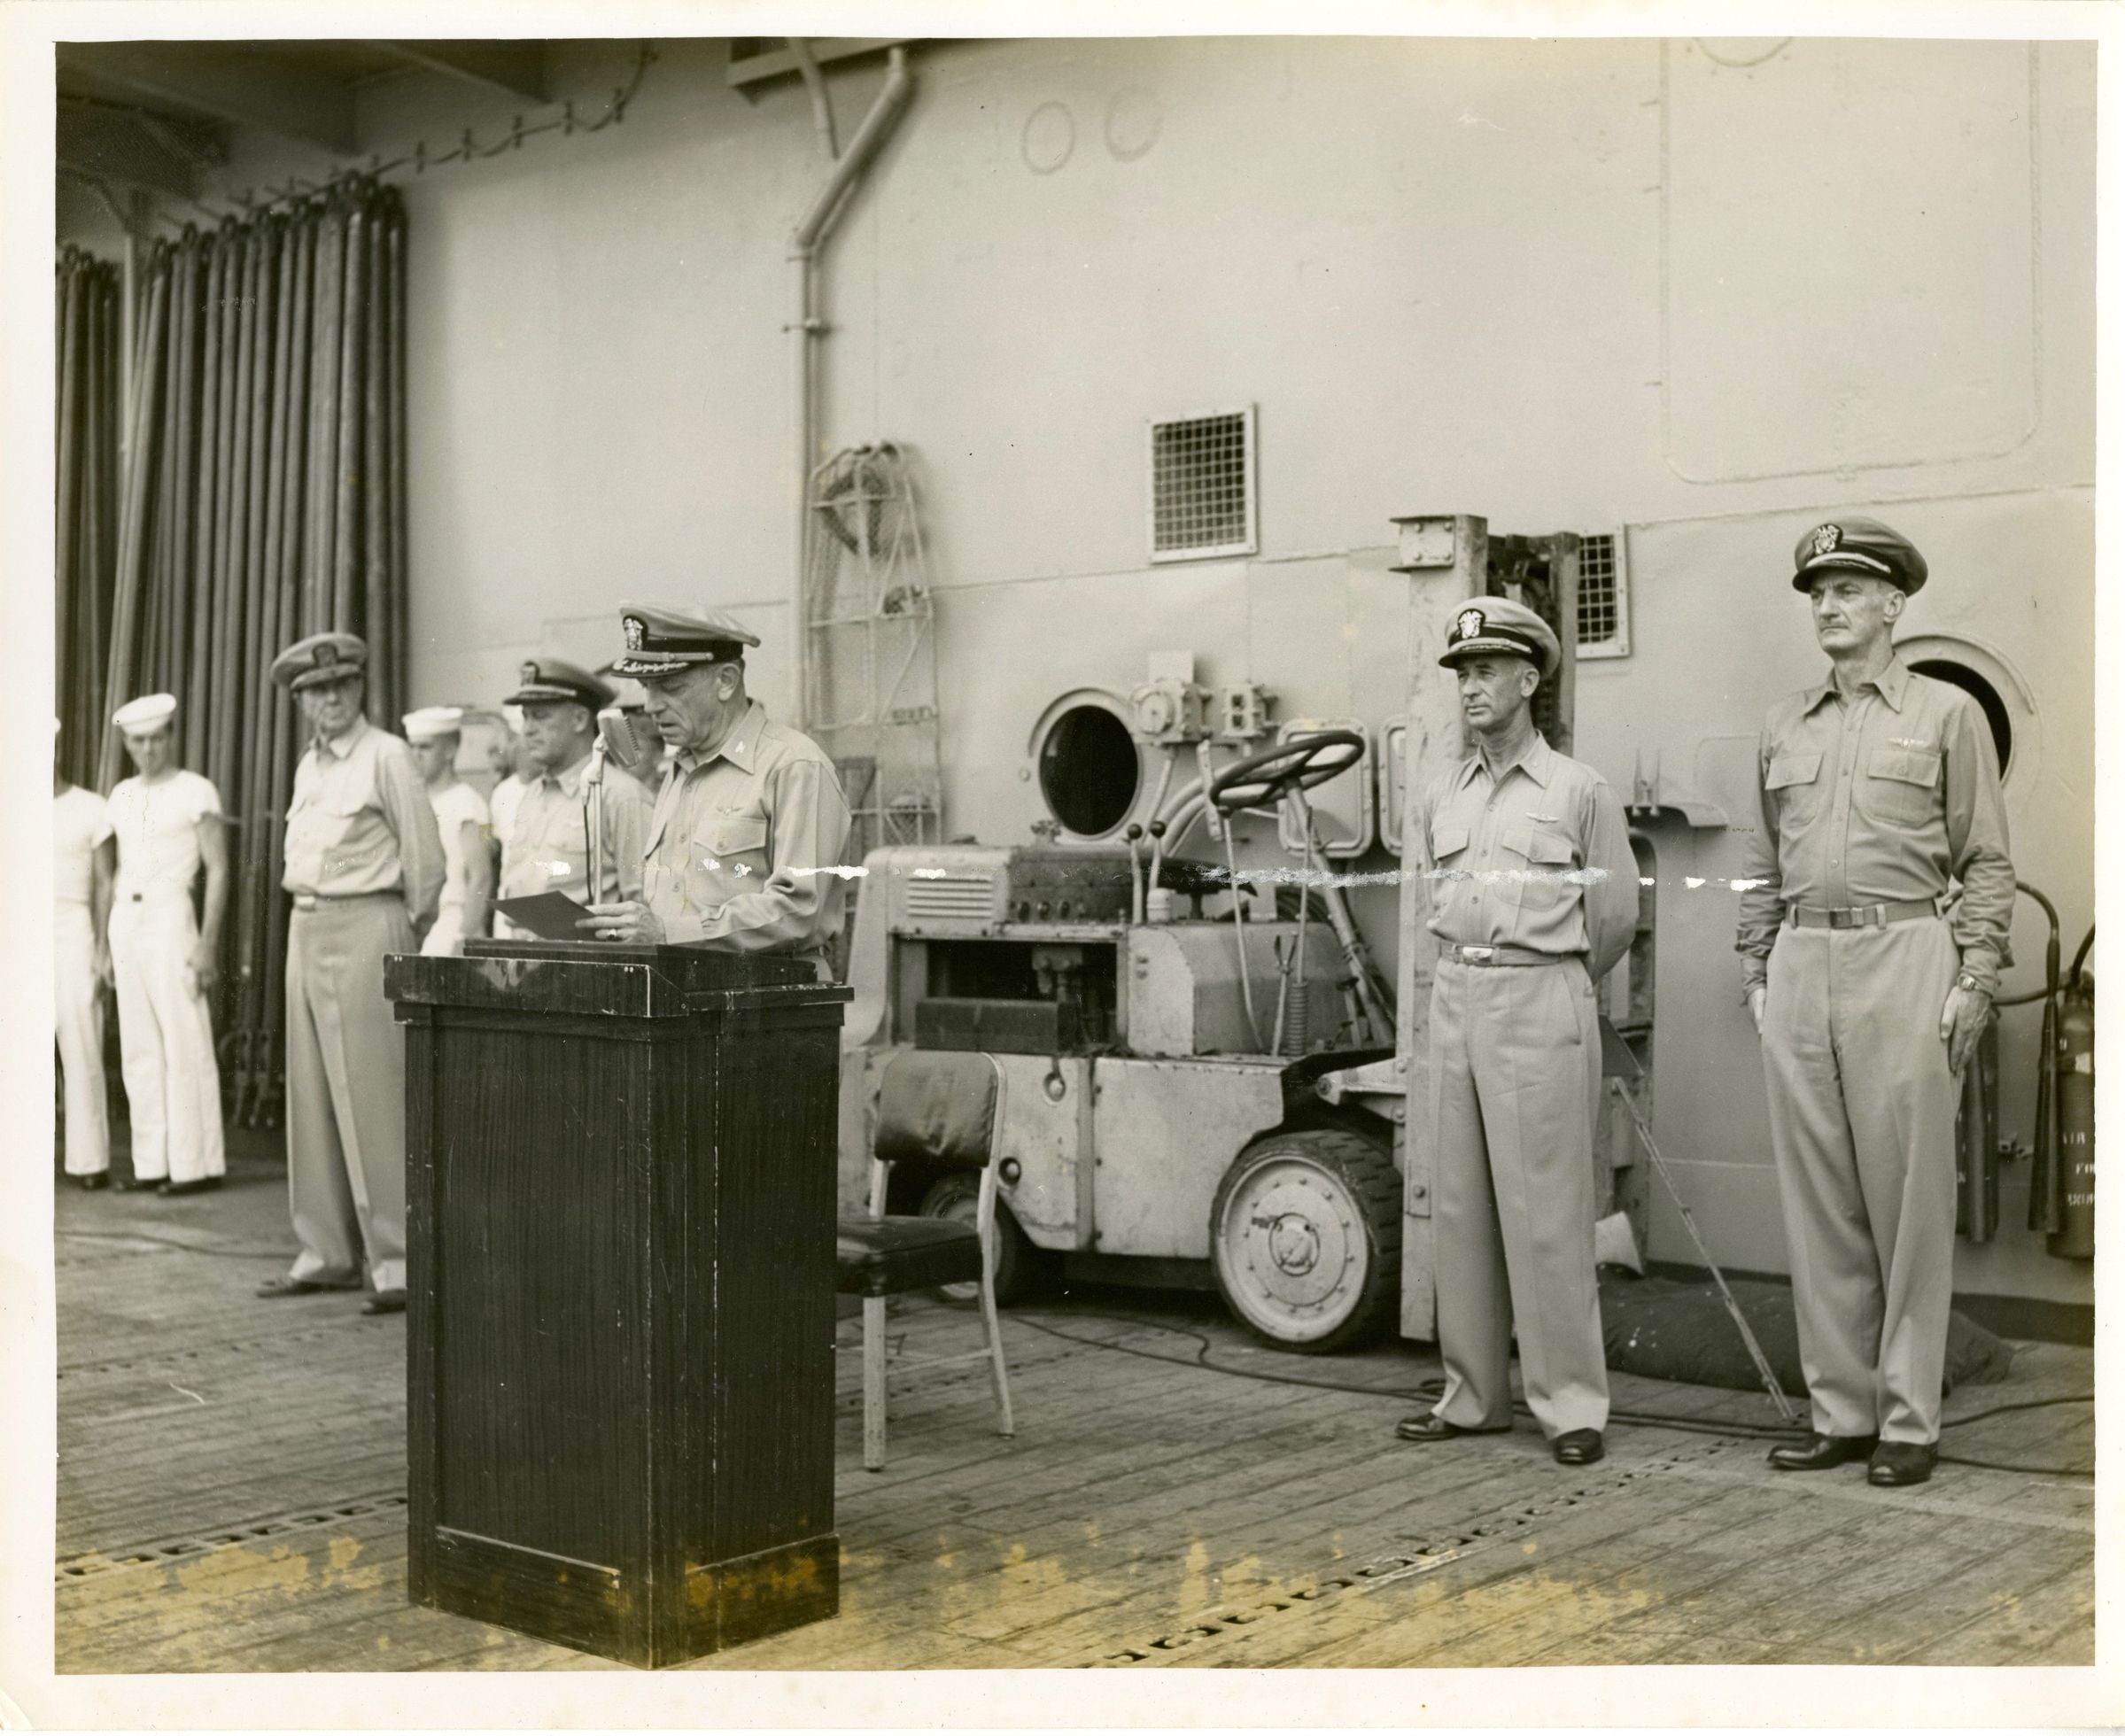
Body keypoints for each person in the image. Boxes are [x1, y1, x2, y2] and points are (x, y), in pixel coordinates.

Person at [1737, 518, 2013, 1488]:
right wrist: (1756, 967)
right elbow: (1757, 862)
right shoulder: (1780, 722)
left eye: (1848, 590)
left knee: (1906, 1201)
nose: (1828, 605)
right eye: (1817, 592)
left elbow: (1983, 858)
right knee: (1820, 1202)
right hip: (1802, 959)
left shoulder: (1944, 716)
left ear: (1893, 605)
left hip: (1905, 953)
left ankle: (1907, 1417)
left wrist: (1974, 976)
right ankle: (1840, 1411)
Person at [1394, 597, 1639, 1468]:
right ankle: (1470, 1396)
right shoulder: (1438, 793)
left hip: (1540, 994)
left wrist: (1551, 984)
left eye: (1486, 669)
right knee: (1456, 1207)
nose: (1470, 685)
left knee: (1545, 1214)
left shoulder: (1578, 790)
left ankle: (1569, 1403)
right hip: (1456, 995)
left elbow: (1613, 919)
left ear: (1528, 679)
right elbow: (1430, 898)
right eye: (1461, 671)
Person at [257, 632, 444, 1315]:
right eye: (315, 690)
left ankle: (397, 1261)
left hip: (368, 922)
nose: (328, 699)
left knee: (373, 1093)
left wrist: (405, 928)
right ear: (301, 701)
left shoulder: (386, 755)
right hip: (305, 925)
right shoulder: (310, 766)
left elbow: (425, 857)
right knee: (310, 1093)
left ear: (359, 689)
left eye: (340, 686)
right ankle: (327, 1252)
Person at [579, 603, 851, 979]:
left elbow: (798, 910)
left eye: (670, 687)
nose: (651, 706)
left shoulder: (794, 766)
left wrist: (667, 933)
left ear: (726, 680)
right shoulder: (680, 772)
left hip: (771, 1002)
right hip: (685, 997)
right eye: (647, 688)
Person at [105, 693, 229, 1196]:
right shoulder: (120, 795)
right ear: (127, 744)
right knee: (139, 1046)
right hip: (126, 918)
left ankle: (194, 1164)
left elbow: (219, 869)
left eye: (158, 738)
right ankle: (150, 1164)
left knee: (184, 1040)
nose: (149, 748)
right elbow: (115, 868)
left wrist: (207, 945)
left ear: (172, 738)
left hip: (172, 915)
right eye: (139, 740)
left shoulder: (195, 791)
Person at [492, 659, 650, 935]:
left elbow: (643, 909)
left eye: (540, 716)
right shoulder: (532, 793)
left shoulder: (620, 795)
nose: (527, 729)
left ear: (579, 720)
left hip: (588, 966)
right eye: (526, 716)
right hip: (524, 959)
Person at [54, 718, 116, 1190]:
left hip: (74, 929)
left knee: (81, 1042)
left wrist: (101, 951)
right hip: (16, 933)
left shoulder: (91, 808)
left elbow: (103, 881)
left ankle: (89, 1160)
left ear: (56, 750)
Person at [403, 706, 492, 957]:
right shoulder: (415, 801)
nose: (416, 755)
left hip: (452, 922)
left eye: (425, 747)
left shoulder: (468, 802)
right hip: (415, 922)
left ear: (450, 750)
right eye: (413, 747)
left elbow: (481, 876)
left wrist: (463, 936)